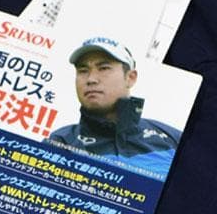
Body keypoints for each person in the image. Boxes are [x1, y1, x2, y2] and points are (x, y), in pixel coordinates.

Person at [48, 37, 181, 157]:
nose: (91, 79)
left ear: (130, 78)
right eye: (83, 71)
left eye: (104, 68)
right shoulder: (61, 142)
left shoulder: (172, 139)